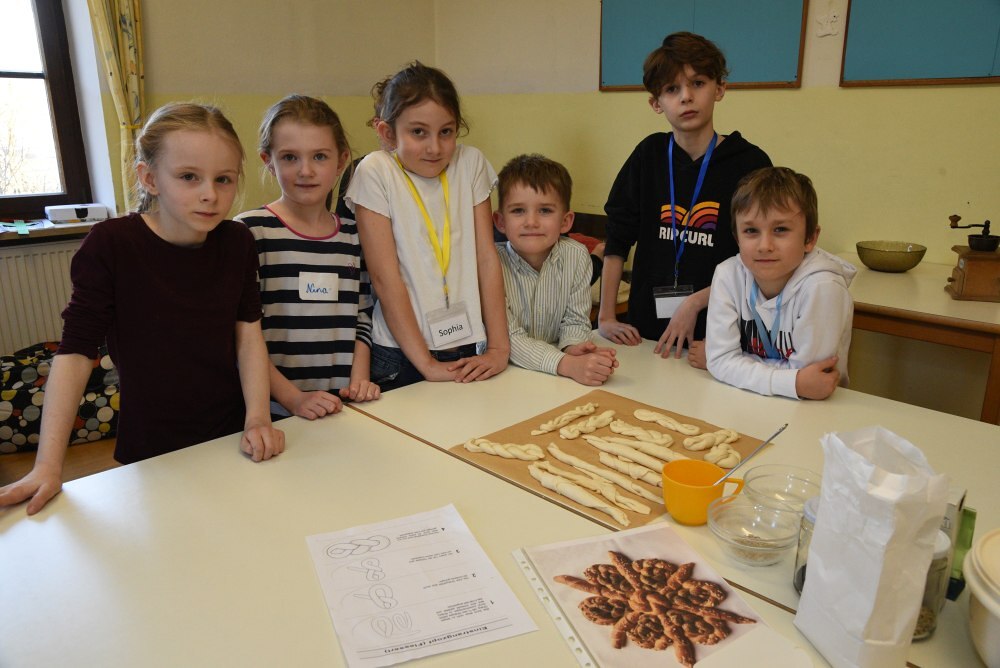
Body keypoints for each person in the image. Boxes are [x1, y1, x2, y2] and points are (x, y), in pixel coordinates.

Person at [0, 103, 284, 515]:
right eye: (189, 177)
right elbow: (76, 353)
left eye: (223, 179)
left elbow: (249, 338)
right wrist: (47, 465)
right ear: (149, 178)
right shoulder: (112, 244)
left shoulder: (237, 242)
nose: (210, 193)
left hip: (231, 436)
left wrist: (258, 418)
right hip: (150, 446)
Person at [599, 31, 771, 362]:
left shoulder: (749, 163)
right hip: (645, 333)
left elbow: (757, 258)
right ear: (656, 103)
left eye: (698, 83)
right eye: (672, 89)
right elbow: (617, 239)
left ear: (720, 89)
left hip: (718, 337)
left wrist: (694, 302)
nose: (686, 97)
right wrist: (606, 317)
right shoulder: (648, 155)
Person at [345, 61, 509, 390]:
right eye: (418, 132)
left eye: (446, 132)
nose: (434, 147)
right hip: (402, 354)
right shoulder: (375, 171)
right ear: (387, 133)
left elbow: (486, 257)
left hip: (469, 345)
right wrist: (426, 364)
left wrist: (499, 348)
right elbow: (385, 278)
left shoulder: (470, 162)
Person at [235, 95, 379, 420]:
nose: (306, 170)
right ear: (268, 161)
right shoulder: (250, 232)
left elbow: (363, 315)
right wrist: (293, 399)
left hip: (342, 407)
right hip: (274, 414)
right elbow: (242, 335)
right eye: (289, 157)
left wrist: (359, 381)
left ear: (341, 161)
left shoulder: (354, 234)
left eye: (319, 156)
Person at [704, 166, 855, 399]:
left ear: (810, 238)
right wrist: (791, 381)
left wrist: (735, 364)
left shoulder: (823, 287)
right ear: (737, 238)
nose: (765, 245)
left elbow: (811, 380)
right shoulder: (728, 275)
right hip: (745, 400)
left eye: (780, 229)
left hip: (813, 409)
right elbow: (720, 361)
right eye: (751, 230)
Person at [493, 154, 619, 386]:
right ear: (500, 221)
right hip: (503, 378)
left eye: (545, 210)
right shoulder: (490, 264)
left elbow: (576, 320)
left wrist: (574, 347)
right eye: (518, 210)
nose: (531, 222)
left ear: (565, 221)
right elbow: (506, 339)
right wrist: (566, 364)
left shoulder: (577, 256)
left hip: (553, 379)